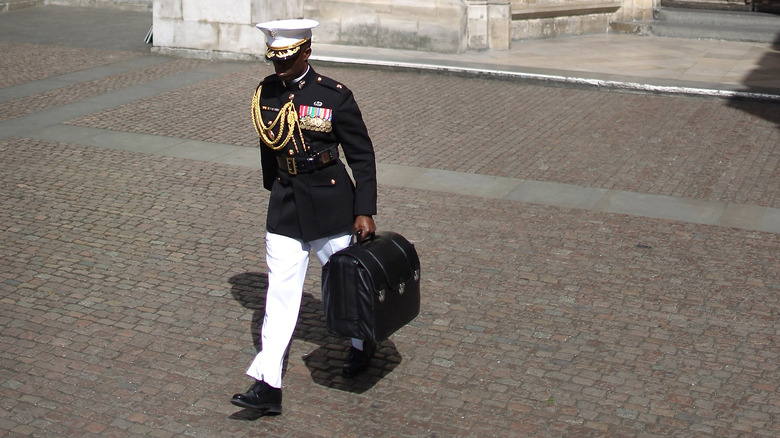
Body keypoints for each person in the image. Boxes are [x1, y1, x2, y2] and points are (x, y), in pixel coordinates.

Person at [231, 18, 378, 415]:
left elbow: (361, 156)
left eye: (288, 58)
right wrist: (276, 187)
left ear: (307, 53)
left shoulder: (334, 96)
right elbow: (269, 146)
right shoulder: (266, 93)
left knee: (346, 285)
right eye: (275, 59)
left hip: (331, 205)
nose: (279, 67)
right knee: (279, 296)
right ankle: (267, 385)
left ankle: (363, 344)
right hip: (286, 206)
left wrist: (363, 210)